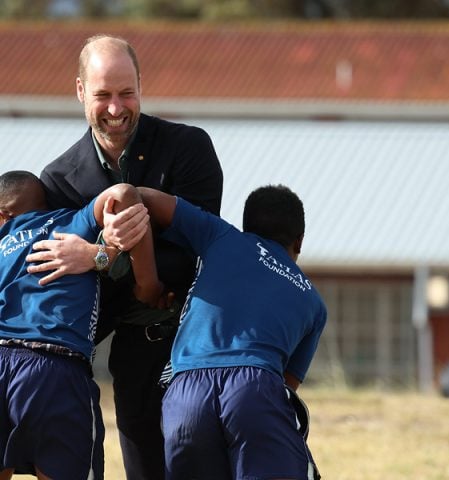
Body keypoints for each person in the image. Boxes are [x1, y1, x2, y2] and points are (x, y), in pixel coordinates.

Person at [25, 34, 223, 479]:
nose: (116, 109)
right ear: (80, 92)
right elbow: (66, 285)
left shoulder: (190, 148)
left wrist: (103, 253)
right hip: (132, 354)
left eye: (126, 93)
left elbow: (196, 253)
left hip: (200, 347)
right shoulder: (57, 181)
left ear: (141, 85)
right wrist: (105, 258)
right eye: (103, 95)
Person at [136, 183, 326, 480]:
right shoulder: (314, 302)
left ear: (246, 225)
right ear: (299, 241)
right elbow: (286, 387)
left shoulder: (222, 236)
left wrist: (147, 282)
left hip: (185, 393)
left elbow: (139, 195)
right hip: (255, 386)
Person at [0, 171, 162, 480]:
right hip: (53, 368)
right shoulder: (73, 223)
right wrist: (146, 283)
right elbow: (124, 192)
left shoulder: (3, 240)